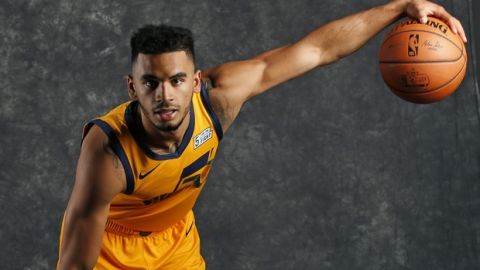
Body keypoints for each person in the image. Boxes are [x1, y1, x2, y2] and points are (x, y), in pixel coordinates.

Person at [57, 0, 467, 269]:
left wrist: (400, 8)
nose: (165, 95)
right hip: (113, 249)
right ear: (132, 87)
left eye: (177, 80)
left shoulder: (216, 99)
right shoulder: (108, 152)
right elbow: (75, 263)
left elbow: (317, 50)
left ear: (195, 81)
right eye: (151, 83)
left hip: (176, 241)